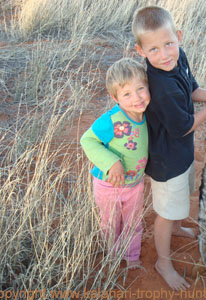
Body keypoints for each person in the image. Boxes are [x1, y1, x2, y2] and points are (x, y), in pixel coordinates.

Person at [132, 6, 206, 290]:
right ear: (140, 51)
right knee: (166, 211)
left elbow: (192, 90)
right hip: (167, 159)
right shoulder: (160, 85)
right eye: (154, 50)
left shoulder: (180, 59)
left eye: (168, 44)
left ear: (178, 37)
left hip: (182, 153)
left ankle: (177, 228)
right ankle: (163, 261)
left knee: (182, 196)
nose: (164, 54)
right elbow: (182, 127)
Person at [80, 58, 150, 269]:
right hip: (108, 185)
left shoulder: (148, 116)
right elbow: (87, 140)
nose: (136, 98)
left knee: (132, 223)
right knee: (111, 223)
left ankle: (131, 258)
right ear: (115, 97)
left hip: (135, 184)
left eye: (141, 89)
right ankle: (112, 256)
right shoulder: (111, 120)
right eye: (127, 94)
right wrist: (112, 163)